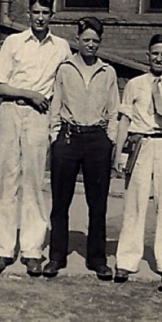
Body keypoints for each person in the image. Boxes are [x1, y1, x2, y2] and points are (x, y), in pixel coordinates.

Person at [0, 0, 71, 277]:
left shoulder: (61, 47)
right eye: (35, 12)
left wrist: (54, 121)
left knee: (34, 183)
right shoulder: (13, 42)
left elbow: (63, 87)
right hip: (11, 111)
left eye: (45, 13)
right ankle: (4, 250)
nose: (39, 18)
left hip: (40, 116)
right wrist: (29, 94)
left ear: (52, 16)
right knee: (4, 181)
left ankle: (32, 250)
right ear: (28, 14)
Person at [43, 17, 119, 281]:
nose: (91, 45)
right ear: (77, 40)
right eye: (86, 39)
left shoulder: (107, 72)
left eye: (95, 41)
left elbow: (114, 110)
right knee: (60, 201)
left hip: (97, 139)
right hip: (68, 138)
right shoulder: (65, 69)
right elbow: (56, 104)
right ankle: (56, 257)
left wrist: (109, 139)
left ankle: (97, 259)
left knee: (97, 203)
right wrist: (54, 136)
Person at [113, 34, 162, 287]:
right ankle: (126, 261)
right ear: (148, 54)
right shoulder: (135, 84)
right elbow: (124, 120)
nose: (159, 58)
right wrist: (119, 153)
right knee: (134, 204)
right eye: (155, 53)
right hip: (141, 144)